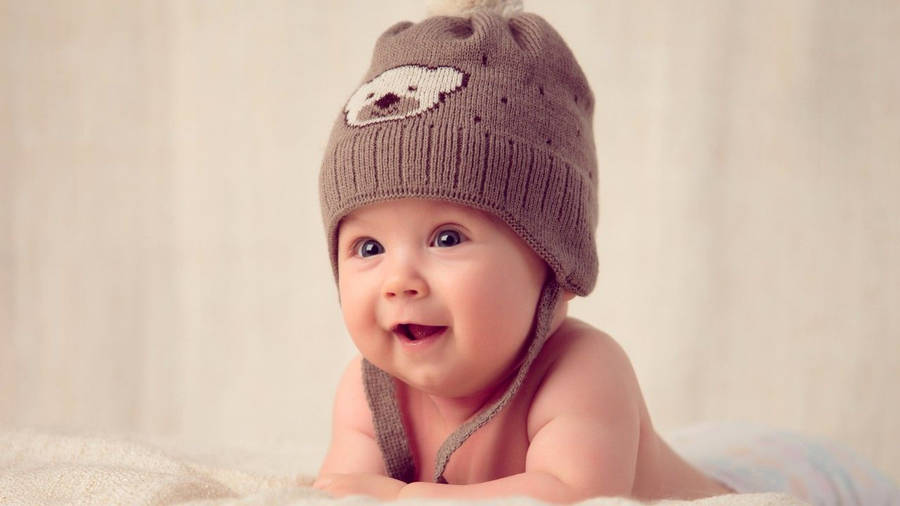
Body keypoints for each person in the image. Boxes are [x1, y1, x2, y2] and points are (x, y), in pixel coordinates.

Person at [311, 1, 899, 503]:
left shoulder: (582, 370)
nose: (399, 280)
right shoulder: (369, 391)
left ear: (553, 260)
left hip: (773, 475)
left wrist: (407, 495)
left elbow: (569, 497)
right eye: (367, 246)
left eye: (447, 238)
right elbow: (344, 491)